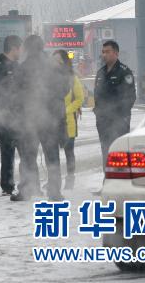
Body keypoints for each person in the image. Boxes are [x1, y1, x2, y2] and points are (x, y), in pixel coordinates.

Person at [10, 35, 70, 202]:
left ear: (27, 48)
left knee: (27, 156)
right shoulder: (53, 66)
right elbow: (64, 89)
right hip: (49, 119)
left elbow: (15, 94)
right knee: (52, 156)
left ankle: (26, 190)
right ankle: (54, 192)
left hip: (29, 118)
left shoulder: (22, 68)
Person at [0, 35, 22, 195]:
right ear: (14, 48)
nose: (21, 52)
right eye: (20, 49)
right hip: (5, 115)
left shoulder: (17, 66)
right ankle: (7, 186)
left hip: (18, 115)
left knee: (23, 152)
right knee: (8, 153)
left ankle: (26, 183)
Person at [93, 40, 135, 166]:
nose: (104, 54)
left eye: (107, 52)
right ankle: (107, 176)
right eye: (103, 52)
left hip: (118, 121)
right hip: (103, 121)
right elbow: (97, 95)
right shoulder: (100, 73)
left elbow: (130, 97)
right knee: (106, 152)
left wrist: (118, 115)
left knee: (119, 153)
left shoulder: (124, 72)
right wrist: (98, 113)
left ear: (116, 53)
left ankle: (120, 177)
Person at [53, 49, 85, 190]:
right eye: (53, 60)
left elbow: (79, 99)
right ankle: (54, 180)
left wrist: (66, 110)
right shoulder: (49, 78)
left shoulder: (72, 78)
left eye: (58, 60)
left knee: (69, 152)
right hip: (52, 121)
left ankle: (70, 179)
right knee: (52, 153)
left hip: (68, 121)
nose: (55, 63)